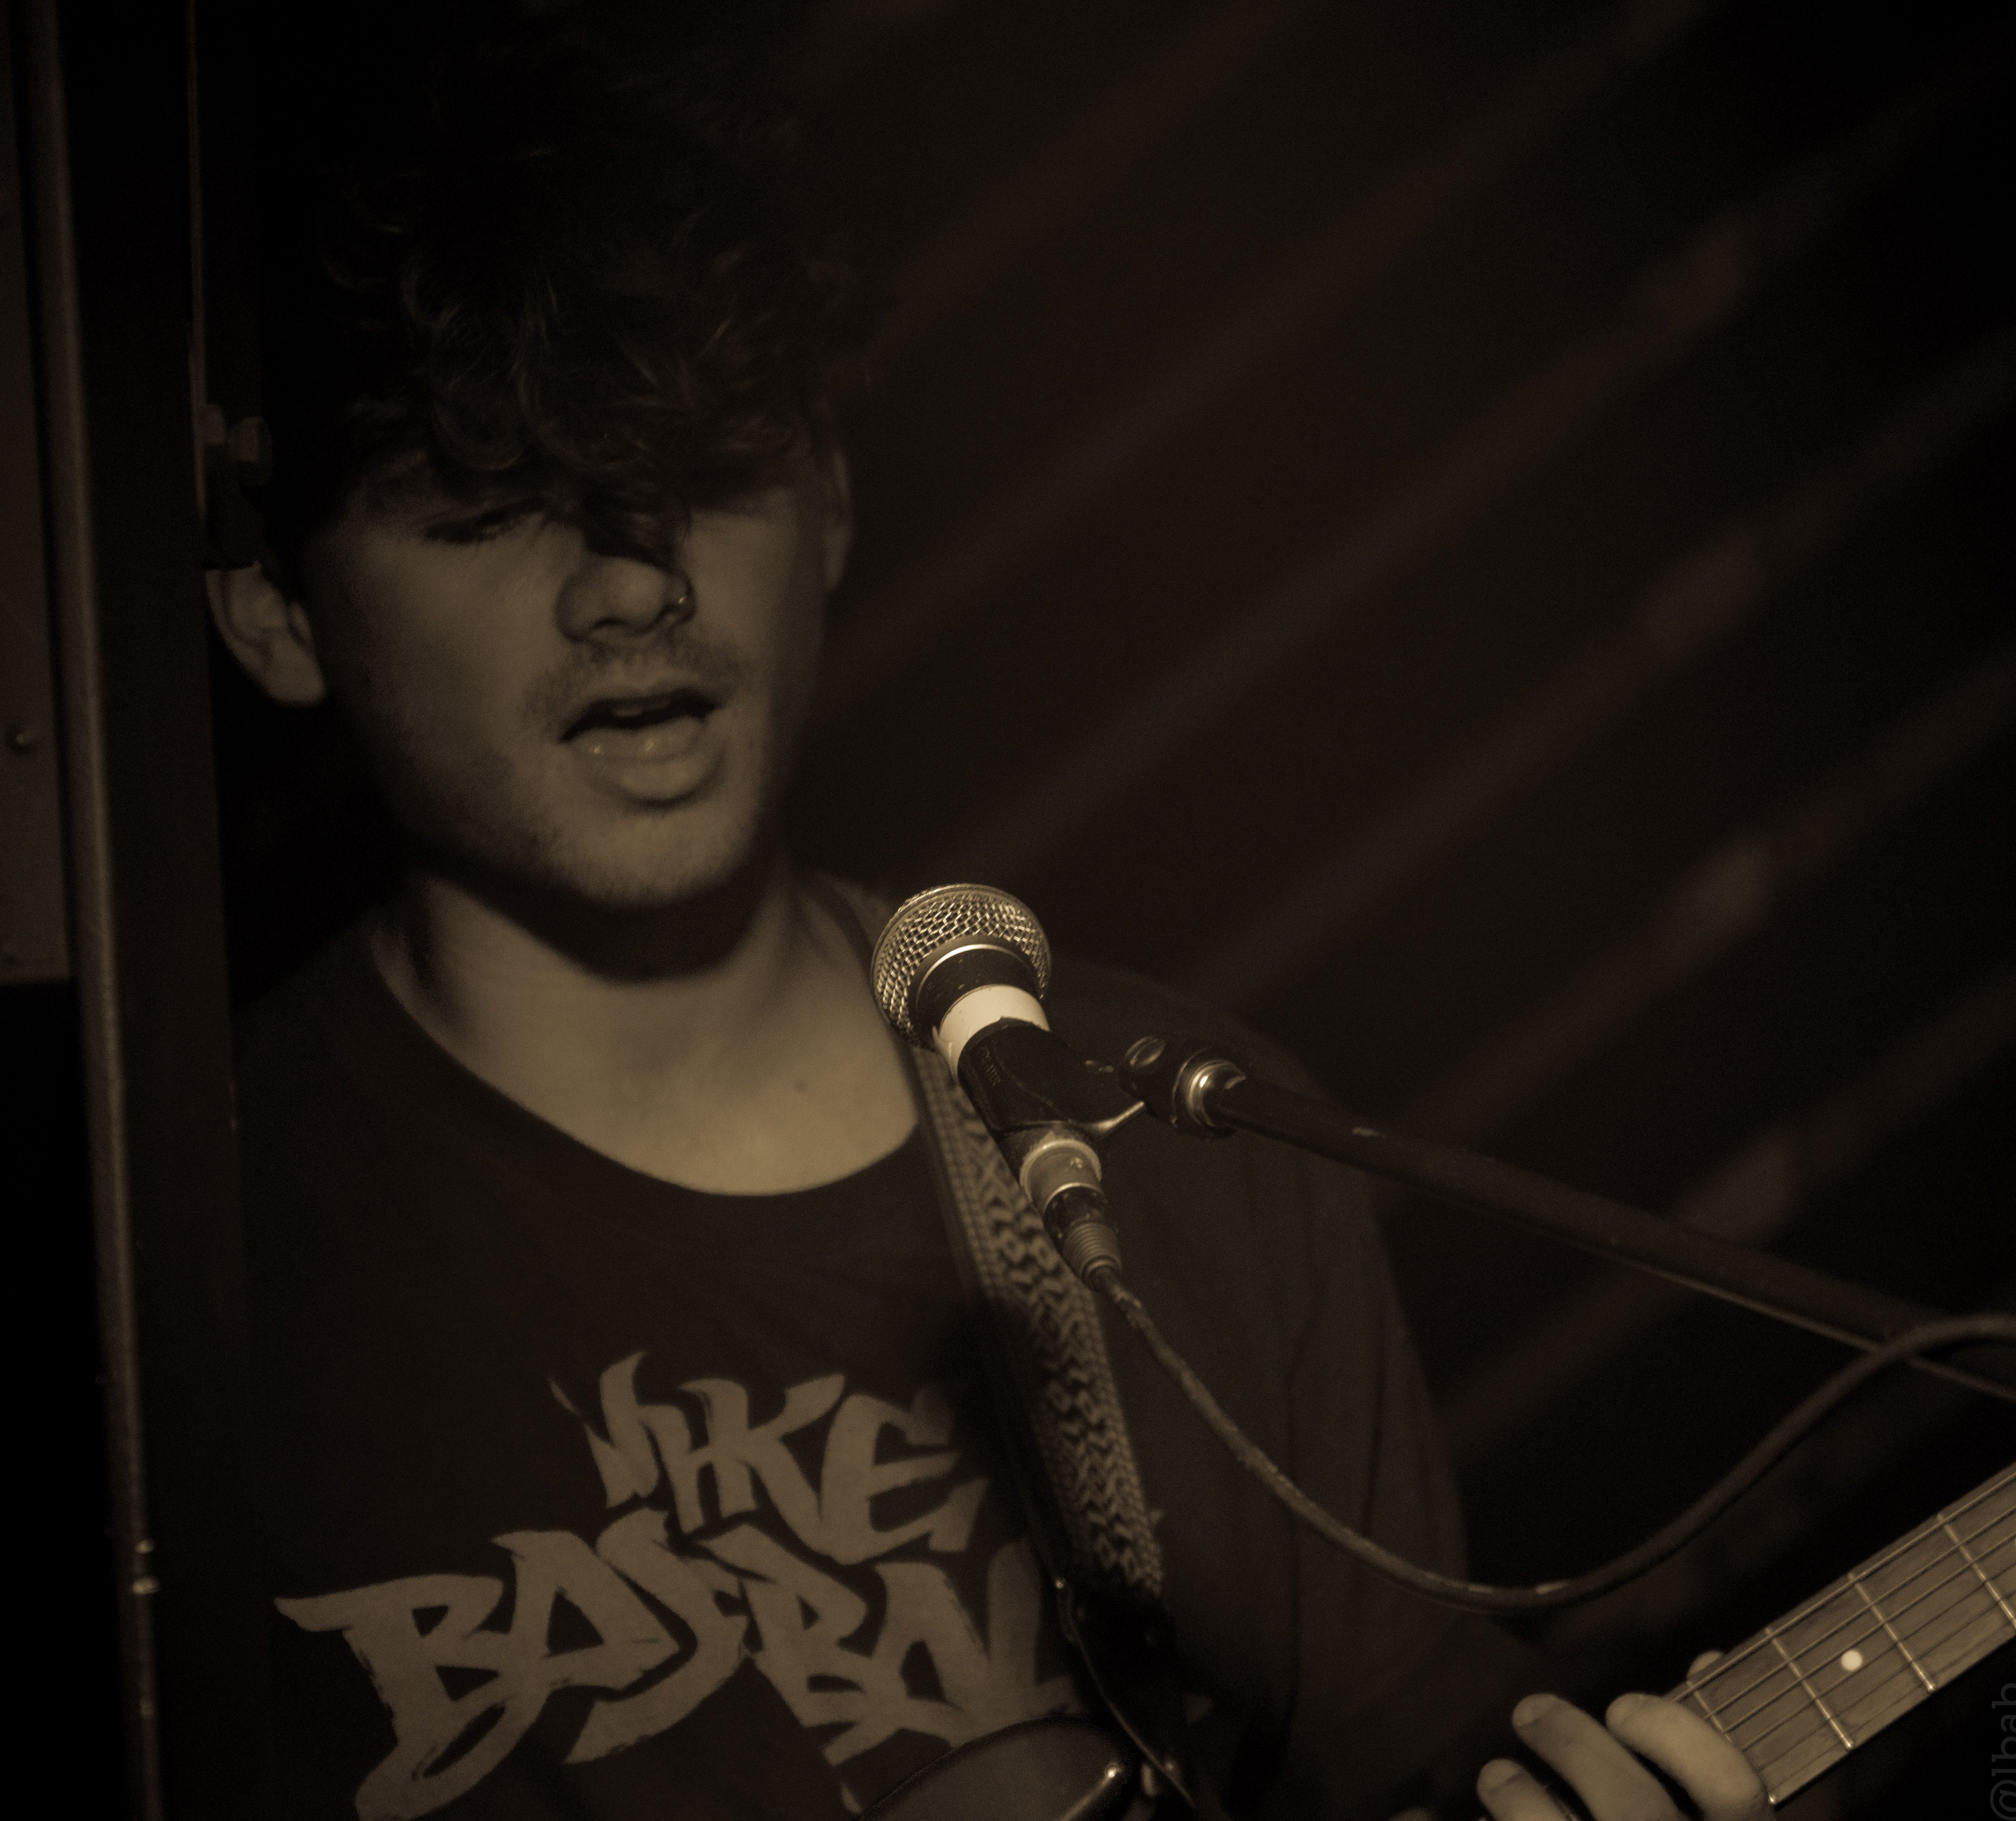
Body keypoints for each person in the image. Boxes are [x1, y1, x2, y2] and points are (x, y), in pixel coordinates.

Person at [206, 22, 1770, 1821]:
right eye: (490, 503)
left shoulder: (1194, 1139)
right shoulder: (174, 1256)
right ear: (277, 613)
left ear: (832, 504)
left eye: (698, 469)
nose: (628, 584)